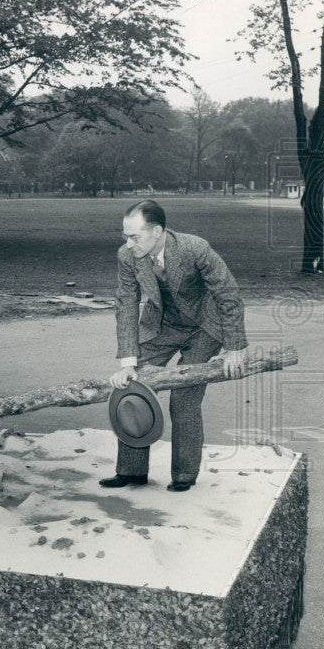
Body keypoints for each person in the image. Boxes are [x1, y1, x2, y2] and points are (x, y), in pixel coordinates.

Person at [101, 199, 248, 493]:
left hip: (205, 327)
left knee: (183, 397)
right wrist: (128, 362)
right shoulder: (128, 256)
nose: (129, 244)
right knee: (134, 386)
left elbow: (228, 294)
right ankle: (131, 470)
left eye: (135, 237)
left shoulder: (195, 248)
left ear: (157, 231)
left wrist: (234, 347)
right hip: (164, 324)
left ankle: (184, 474)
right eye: (125, 237)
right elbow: (126, 305)